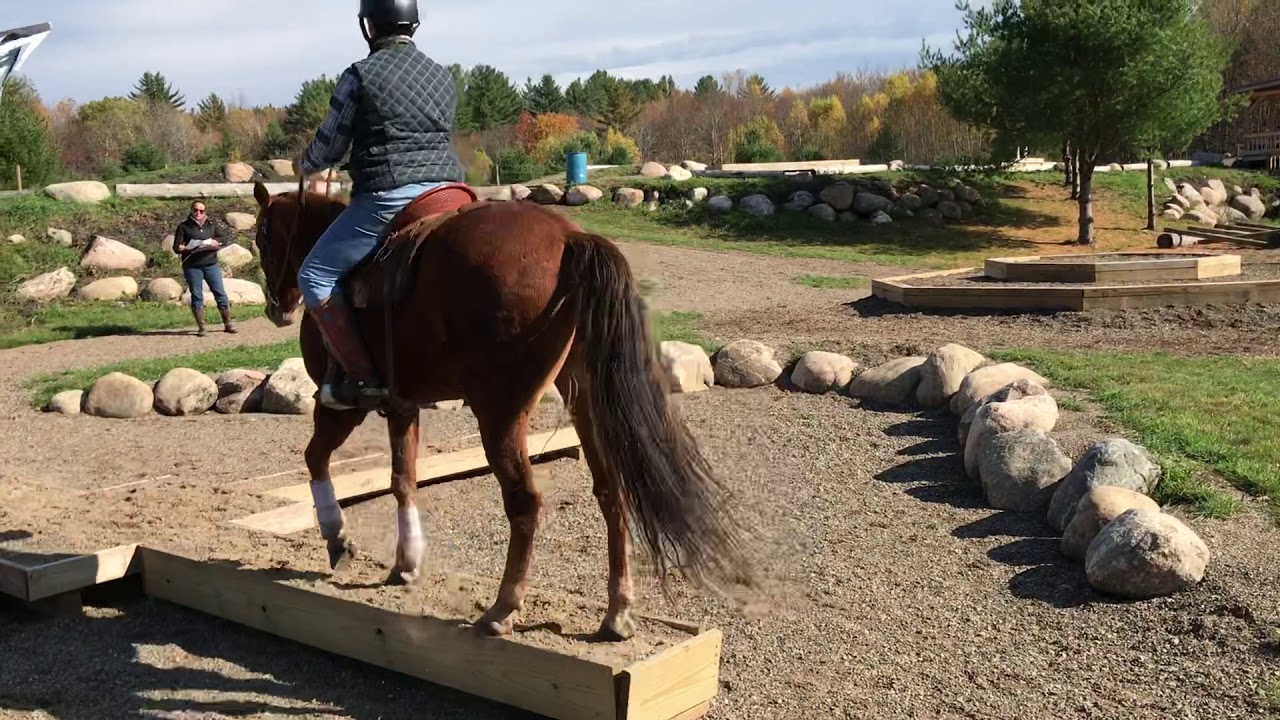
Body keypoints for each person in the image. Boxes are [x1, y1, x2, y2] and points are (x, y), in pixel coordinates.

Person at [293, 0, 464, 412]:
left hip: (390, 194)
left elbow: (331, 145)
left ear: (368, 26)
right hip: (451, 190)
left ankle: (363, 379)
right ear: (414, 23)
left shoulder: (360, 75)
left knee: (314, 274)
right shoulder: (443, 75)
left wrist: (305, 165)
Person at [173, 200, 237, 336]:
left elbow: (223, 239)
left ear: (205, 212)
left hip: (210, 264)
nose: (198, 213)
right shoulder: (184, 227)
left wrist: (215, 242)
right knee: (197, 295)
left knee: (220, 293)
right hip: (192, 266)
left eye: (201, 211)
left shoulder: (211, 225)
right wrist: (184, 248)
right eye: (195, 210)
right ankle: (202, 327)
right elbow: (176, 247)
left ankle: (228, 323)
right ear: (191, 210)